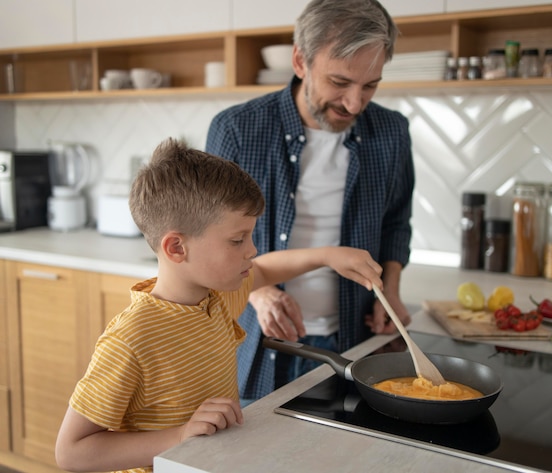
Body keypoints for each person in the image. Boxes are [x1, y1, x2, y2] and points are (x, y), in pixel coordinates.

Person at [54, 138, 383, 473]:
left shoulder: (219, 298)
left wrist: (327, 255)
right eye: (237, 240)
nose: (251, 250)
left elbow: (267, 268)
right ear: (177, 248)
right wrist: (181, 434)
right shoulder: (131, 339)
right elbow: (72, 452)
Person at [205, 0, 415, 404]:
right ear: (300, 61)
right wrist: (256, 291)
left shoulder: (391, 132)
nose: (355, 104)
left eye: (370, 85)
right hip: (257, 343)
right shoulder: (237, 130)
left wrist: (391, 288)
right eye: (340, 82)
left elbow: (395, 223)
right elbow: (210, 239)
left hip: (355, 341)